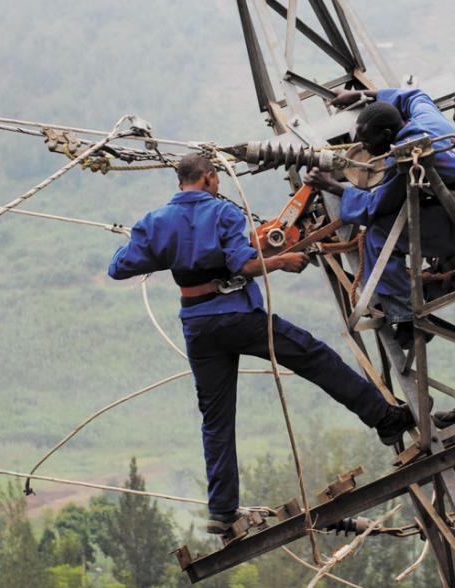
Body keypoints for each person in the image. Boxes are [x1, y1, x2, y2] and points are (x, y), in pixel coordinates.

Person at [108, 154, 414, 534]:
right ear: (208, 177)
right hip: (237, 315)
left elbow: (119, 266)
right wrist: (283, 260)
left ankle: (222, 512)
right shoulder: (223, 213)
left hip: (198, 325)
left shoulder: (155, 222)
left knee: (216, 419)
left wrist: (165, 247)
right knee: (312, 355)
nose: (218, 183)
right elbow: (243, 265)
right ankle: (384, 418)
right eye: (216, 178)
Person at [303, 88, 455, 428]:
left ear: (389, 135)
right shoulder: (425, 117)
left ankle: (403, 311)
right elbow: (414, 94)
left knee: (380, 235)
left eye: (368, 141)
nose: (363, 147)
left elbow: (375, 208)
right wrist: (365, 94)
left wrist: (334, 187)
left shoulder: (408, 156)